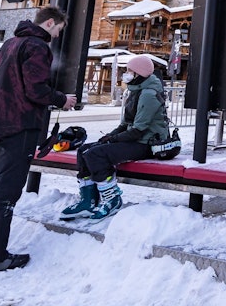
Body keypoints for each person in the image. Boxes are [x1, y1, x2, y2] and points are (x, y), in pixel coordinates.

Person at [0, 6, 76, 275]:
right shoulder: (37, 46)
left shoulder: (10, 43)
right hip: (21, 126)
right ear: (50, 23)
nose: (57, 36)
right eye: (58, 29)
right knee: (6, 194)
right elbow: (36, 89)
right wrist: (62, 99)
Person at [59, 54, 178, 221]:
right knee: (84, 150)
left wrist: (113, 140)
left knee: (96, 154)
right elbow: (125, 125)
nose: (126, 74)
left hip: (147, 144)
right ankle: (88, 201)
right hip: (136, 139)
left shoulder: (148, 94)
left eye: (129, 71)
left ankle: (112, 199)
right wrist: (109, 136)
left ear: (139, 73)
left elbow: (138, 130)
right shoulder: (135, 91)